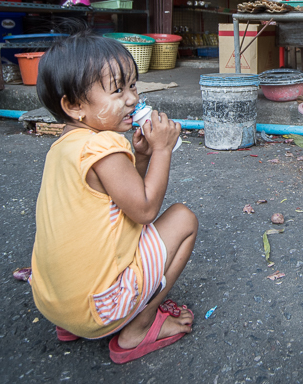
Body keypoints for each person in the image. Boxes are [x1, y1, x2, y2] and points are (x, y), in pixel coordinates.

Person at [29, 30, 198, 363]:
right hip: (100, 307)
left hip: (53, 302)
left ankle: (72, 324)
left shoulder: (65, 147)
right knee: (184, 219)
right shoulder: (104, 146)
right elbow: (145, 209)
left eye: (132, 86)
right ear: (75, 106)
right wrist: (163, 150)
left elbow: (114, 202)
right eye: (117, 90)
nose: (133, 99)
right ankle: (136, 330)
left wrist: (143, 158)